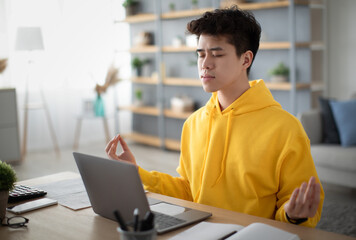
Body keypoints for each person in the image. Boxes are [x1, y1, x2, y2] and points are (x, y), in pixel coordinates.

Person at [106, 6, 324, 227]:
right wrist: (137, 174)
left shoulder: (286, 128)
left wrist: (293, 214)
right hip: (197, 231)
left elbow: (301, 210)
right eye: (201, 54)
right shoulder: (193, 123)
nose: (205, 63)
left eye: (217, 54)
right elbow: (189, 191)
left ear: (245, 60)